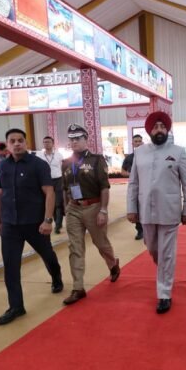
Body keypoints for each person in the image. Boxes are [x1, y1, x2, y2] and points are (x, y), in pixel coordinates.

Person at [126, 111, 186, 314]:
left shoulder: (178, 152)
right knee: (152, 248)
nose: (159, 130)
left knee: (166, 253)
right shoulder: (139, 153)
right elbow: (133, 183)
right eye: (155, 127)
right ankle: (164, 269)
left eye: (162, 127)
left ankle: (164, 294)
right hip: (145, 211)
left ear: (167, 129)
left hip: (169, 211)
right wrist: (131, 208)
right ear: (149, 131)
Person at [0, 128, 63, 325]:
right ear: (7, 144)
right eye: (12, 141)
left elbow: (49, 192)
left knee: (47, 255)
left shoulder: (38, 165)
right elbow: (1, 194)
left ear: (26, 143)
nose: (17, 144)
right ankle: (16, 306)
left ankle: (56, 276)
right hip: (10, 224)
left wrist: (48, 220)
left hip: (35, 224)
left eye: (20, 140)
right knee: (10, 266)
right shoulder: (4, 165)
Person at [61, 124, 120, 305]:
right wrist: (66, 209)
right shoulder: (66, 163)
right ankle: (78, 287)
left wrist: (103, 210)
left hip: (94, 207)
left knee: (101, 243)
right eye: (71, 139)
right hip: (74, 208)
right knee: (75, 248)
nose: (74, 142)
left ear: (86, 139)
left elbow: (104, 187)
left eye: (78, 138)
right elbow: (65, 189)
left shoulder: (97, 160)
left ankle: (113, 264)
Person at [35, 136, 65, 233]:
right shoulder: (39, 155)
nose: (46, 144)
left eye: (48, 142)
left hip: (58, 180)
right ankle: (49, 222)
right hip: (45, 181)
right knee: (47, 202)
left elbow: (62, 168)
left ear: (53, 144)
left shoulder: (59, 155)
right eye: (44, 142)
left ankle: (58, 225)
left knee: (58, 203)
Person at [121, 134, 144, 240]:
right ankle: (140, 230)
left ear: (142, 142)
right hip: (135, 188)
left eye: (140, 141)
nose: (138, 143)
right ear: (132, 143)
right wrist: (132, 175)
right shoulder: (129, 158)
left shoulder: (148, 156)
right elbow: (122, 172)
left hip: (148, 186)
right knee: (136, 208)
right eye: (136, 141)